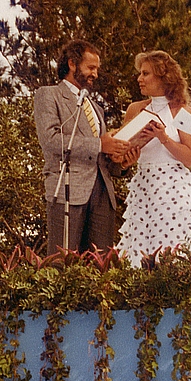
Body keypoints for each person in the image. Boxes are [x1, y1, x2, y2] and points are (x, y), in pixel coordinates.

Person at [34, 39, 142, 254]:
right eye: (90, 67)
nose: (95, 74)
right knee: (62, 261)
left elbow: (101, 155)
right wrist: (100, 144)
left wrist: (121, 162)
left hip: (102, 194)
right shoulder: (49, 95)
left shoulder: (96, 108)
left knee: (99, 266)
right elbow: (50, 139)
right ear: (72, 64)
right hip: (67, 191)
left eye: (96, 69)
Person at [115, 51, 191, 264]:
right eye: (140, 73)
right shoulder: (135, 109)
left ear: (163, 77)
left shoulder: (182, 111)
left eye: (146, 73)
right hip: (143, 187)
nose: (140, 79)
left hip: (173, 191)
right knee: (140, 254)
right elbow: (122, 153)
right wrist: (127, 158)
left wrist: (162, 136)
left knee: (172, 252)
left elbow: (189, 158)